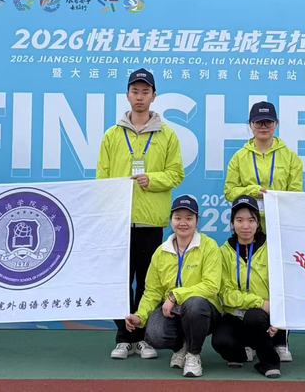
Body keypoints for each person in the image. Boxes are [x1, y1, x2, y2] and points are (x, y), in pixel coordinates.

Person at [98, 68, 185, 360]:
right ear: (127, 95)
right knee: (120, 282)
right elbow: (102, 179)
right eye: (135, 91)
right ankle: (124, 338)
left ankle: (144, 337)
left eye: (145, 92)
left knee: (149, 283)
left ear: (154, 96)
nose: (140, 97)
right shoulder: (112, 135)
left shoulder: (167, 135)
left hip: (151, 221)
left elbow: (176, 174)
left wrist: (153, 179)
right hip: (119, 222)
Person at [224, 100, 302, 362]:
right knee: (249, 282)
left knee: (280, 283)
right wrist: (252, 191)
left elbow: (296, 194)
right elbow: (229, 191)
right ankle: (252, 340)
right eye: (259, 122)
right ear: (251, 125)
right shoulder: (240, 157)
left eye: (268, 122)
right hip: (249, 229)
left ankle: (281, 340)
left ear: (276, 124)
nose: (263, 126)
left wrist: (274, 196)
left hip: (279, 228)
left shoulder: (289, 157)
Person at [125, 195, 222, 377]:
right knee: (154, 333)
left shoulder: (209, 246)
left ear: (197, 221)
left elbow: (211, 286)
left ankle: (193, 354)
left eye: (189, 218)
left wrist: (175, 296)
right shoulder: (161, 252)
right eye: (178, 218)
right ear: (171, 220)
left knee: (194, 304)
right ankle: (180, 348)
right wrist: (140, 315)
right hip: (173, 311)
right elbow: (152, 291)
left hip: (204, 310)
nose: (183, 223)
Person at [212, 196, 285, 378]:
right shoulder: (223, 252)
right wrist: (258, 302)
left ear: (258, 223)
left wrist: (278, 315)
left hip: (264, 315)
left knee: (254, 318)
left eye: (251, 220)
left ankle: (269, 362)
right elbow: (225, 293)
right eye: (239, 220)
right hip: (236, 313)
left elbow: (282, 286)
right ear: (232, 223)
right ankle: (243, 352)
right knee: (220, 342)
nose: (245, 226)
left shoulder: (272, 248)